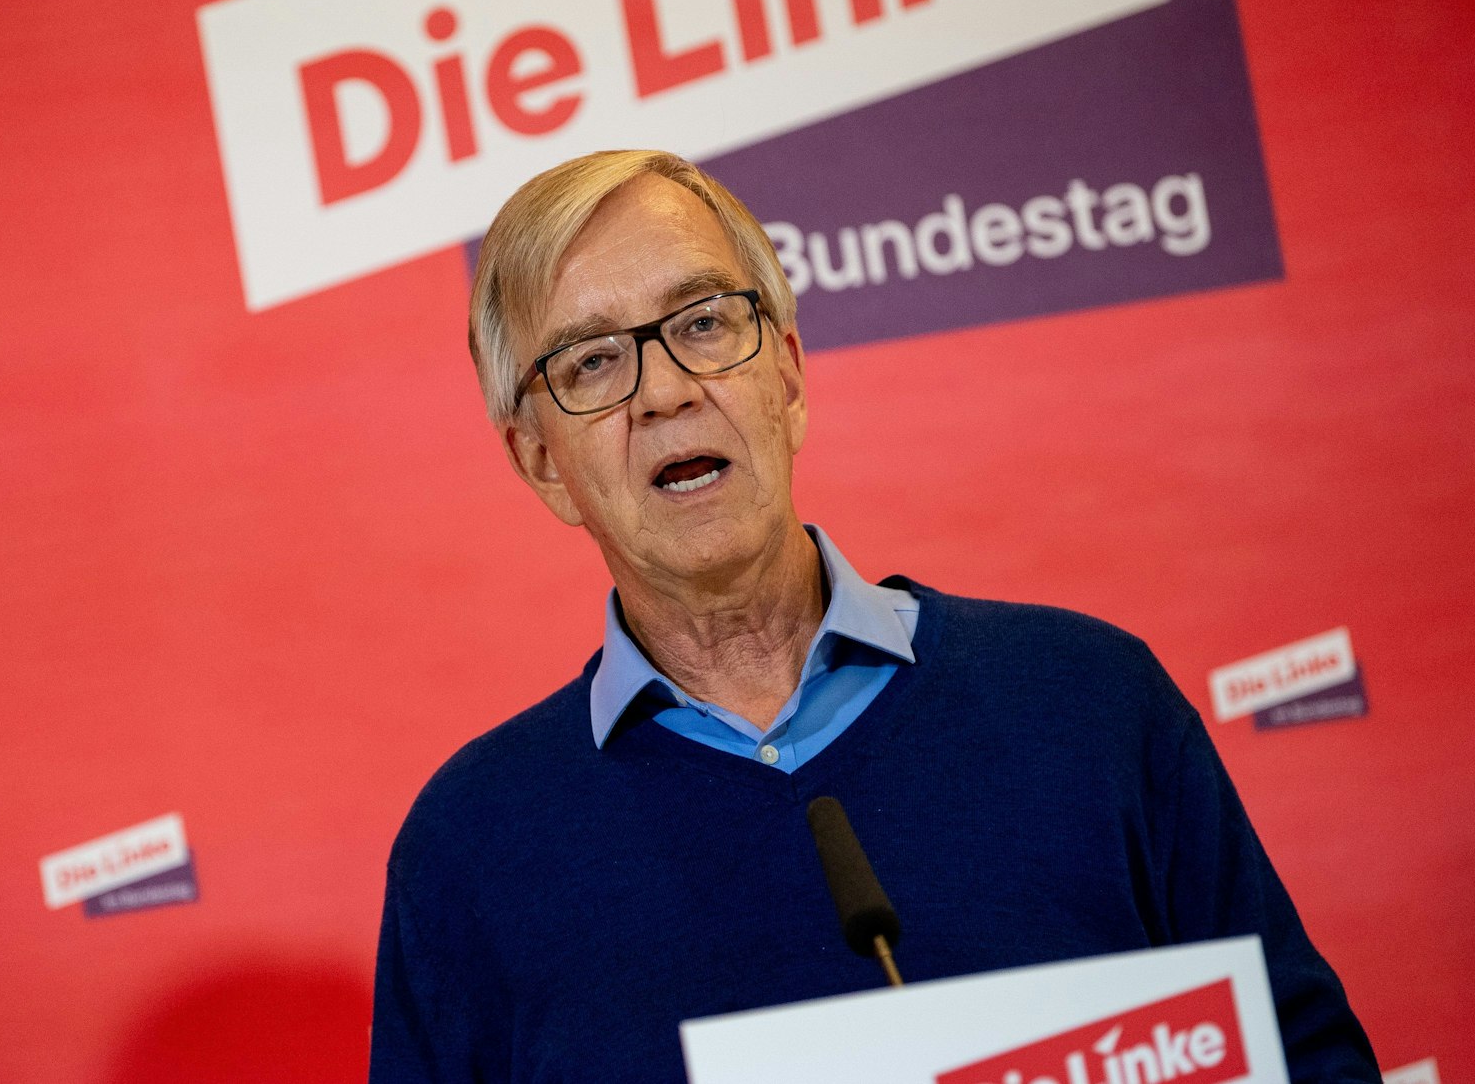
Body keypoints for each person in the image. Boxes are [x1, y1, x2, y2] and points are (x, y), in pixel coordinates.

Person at [367, 150, 1378, 1083]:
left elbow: (1306, 1060)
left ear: (789, 373)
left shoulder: (1089, 704)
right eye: (589, 361)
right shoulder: (468, 850)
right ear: (541, 461)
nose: (665, 391)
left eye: (703, 323)